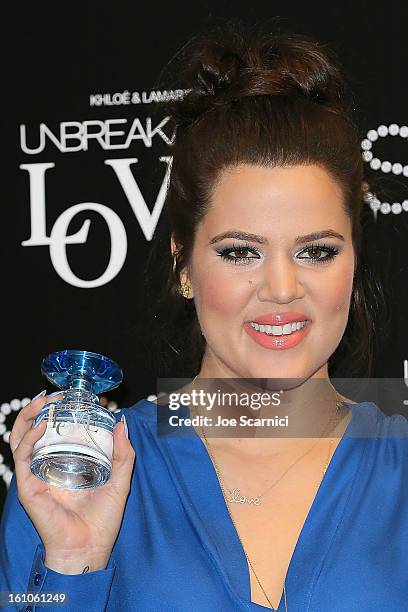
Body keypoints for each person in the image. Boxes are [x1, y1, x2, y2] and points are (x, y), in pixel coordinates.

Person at [1, 18, 407, 612]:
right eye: (240, 251)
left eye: (316, 251)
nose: (282, 288)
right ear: (183, 265)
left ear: (354, 259)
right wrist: (74, 563)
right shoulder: (88, 468)